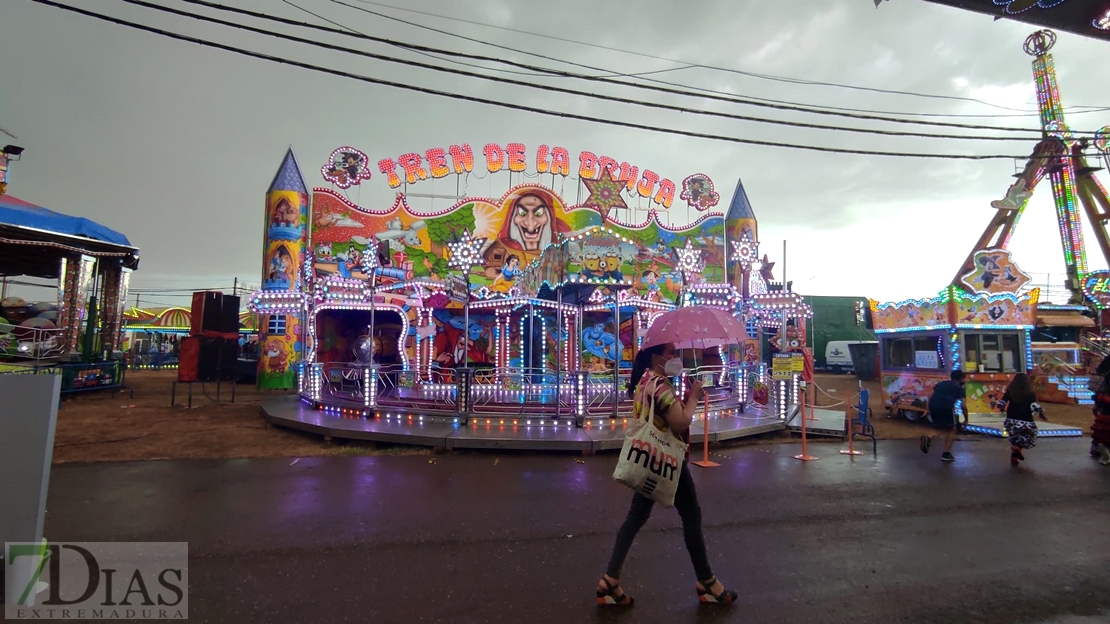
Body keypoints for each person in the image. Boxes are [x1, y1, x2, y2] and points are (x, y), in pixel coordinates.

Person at [595, 342, 737, 607]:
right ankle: (706, 581)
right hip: (667, 461)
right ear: (656, 357)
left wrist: (682, 397)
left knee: (636, 518)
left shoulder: (645, 382)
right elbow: (681, 422)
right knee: (691, 516)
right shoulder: (660, 385)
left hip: (648, 458)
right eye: (671, 353)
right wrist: (694, 396)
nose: (676, 358)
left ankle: (610, 579)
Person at [998, 373, 1047, 465]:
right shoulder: (1029, 392)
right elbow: (1034, 406)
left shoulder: (1010, 390)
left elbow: (1003, 401)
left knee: (1014, 437)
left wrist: (1000, 407)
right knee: (1030, 436)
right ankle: (1018, 448)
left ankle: (1014, 456)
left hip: (1011, 419)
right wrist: (1040, 412)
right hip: (1025, 419)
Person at [920, 370, 969, 462]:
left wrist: (927, 410)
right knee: (951, 429)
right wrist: (966, 419)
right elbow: (963, 405)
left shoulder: (941, 384)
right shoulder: (959, 388)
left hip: (933, 406)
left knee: (940, 427)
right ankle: (946, 453)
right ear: (961, 379)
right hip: (946, 407)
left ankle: (928, 438)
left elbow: (930, 397)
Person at [1088, 372, 1110, 466]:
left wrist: (1098, 417)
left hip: (1102, 418)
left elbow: (1095, 409)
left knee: (1100, 439)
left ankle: (1104, 456)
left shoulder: (1101, 394)